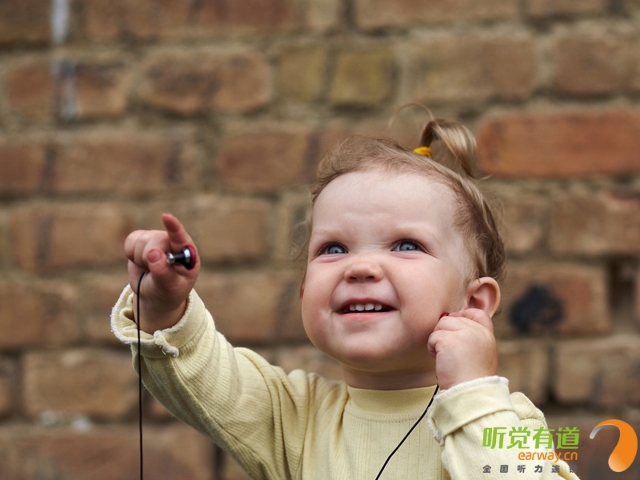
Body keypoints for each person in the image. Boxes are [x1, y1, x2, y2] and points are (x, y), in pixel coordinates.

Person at [112, 116, 580, 479]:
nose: (360, 267)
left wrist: (472, 393)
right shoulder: (294, 419)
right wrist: (164, 308)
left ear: (474, 305)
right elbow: (204, 373)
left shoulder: (504, 418)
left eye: (405, 245)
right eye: (333, 249)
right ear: (304, 291)